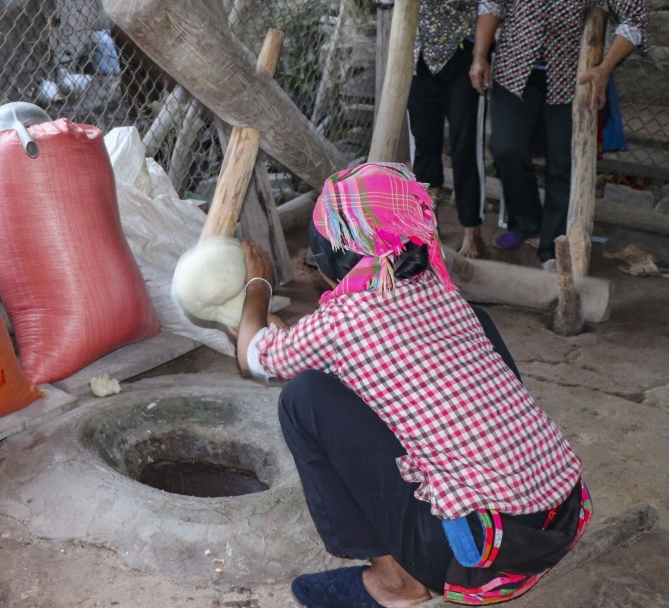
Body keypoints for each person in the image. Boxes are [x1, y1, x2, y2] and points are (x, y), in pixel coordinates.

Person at [236, 163, 590, 607]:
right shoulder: (443, 293)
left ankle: (396, 585)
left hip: (477, 557)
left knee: (303, 398)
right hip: (557, 521)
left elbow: (251, 356)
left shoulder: (344, 320)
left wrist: (257, 285)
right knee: (465, 338)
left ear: (326, 258)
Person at [471, 0, 648, 268]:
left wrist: (605, 68)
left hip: (573, 76)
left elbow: (635, 21)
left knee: (562, 165)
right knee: (506, 148)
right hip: (514, 64)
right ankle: (525, 219)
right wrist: (480, 56)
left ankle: (554, 249)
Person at [375, 0, 489, 258]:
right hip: (415, 57)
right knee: (423, 144)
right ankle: (424, 231)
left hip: (460, 54)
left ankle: (473, 231)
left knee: (464, 144)